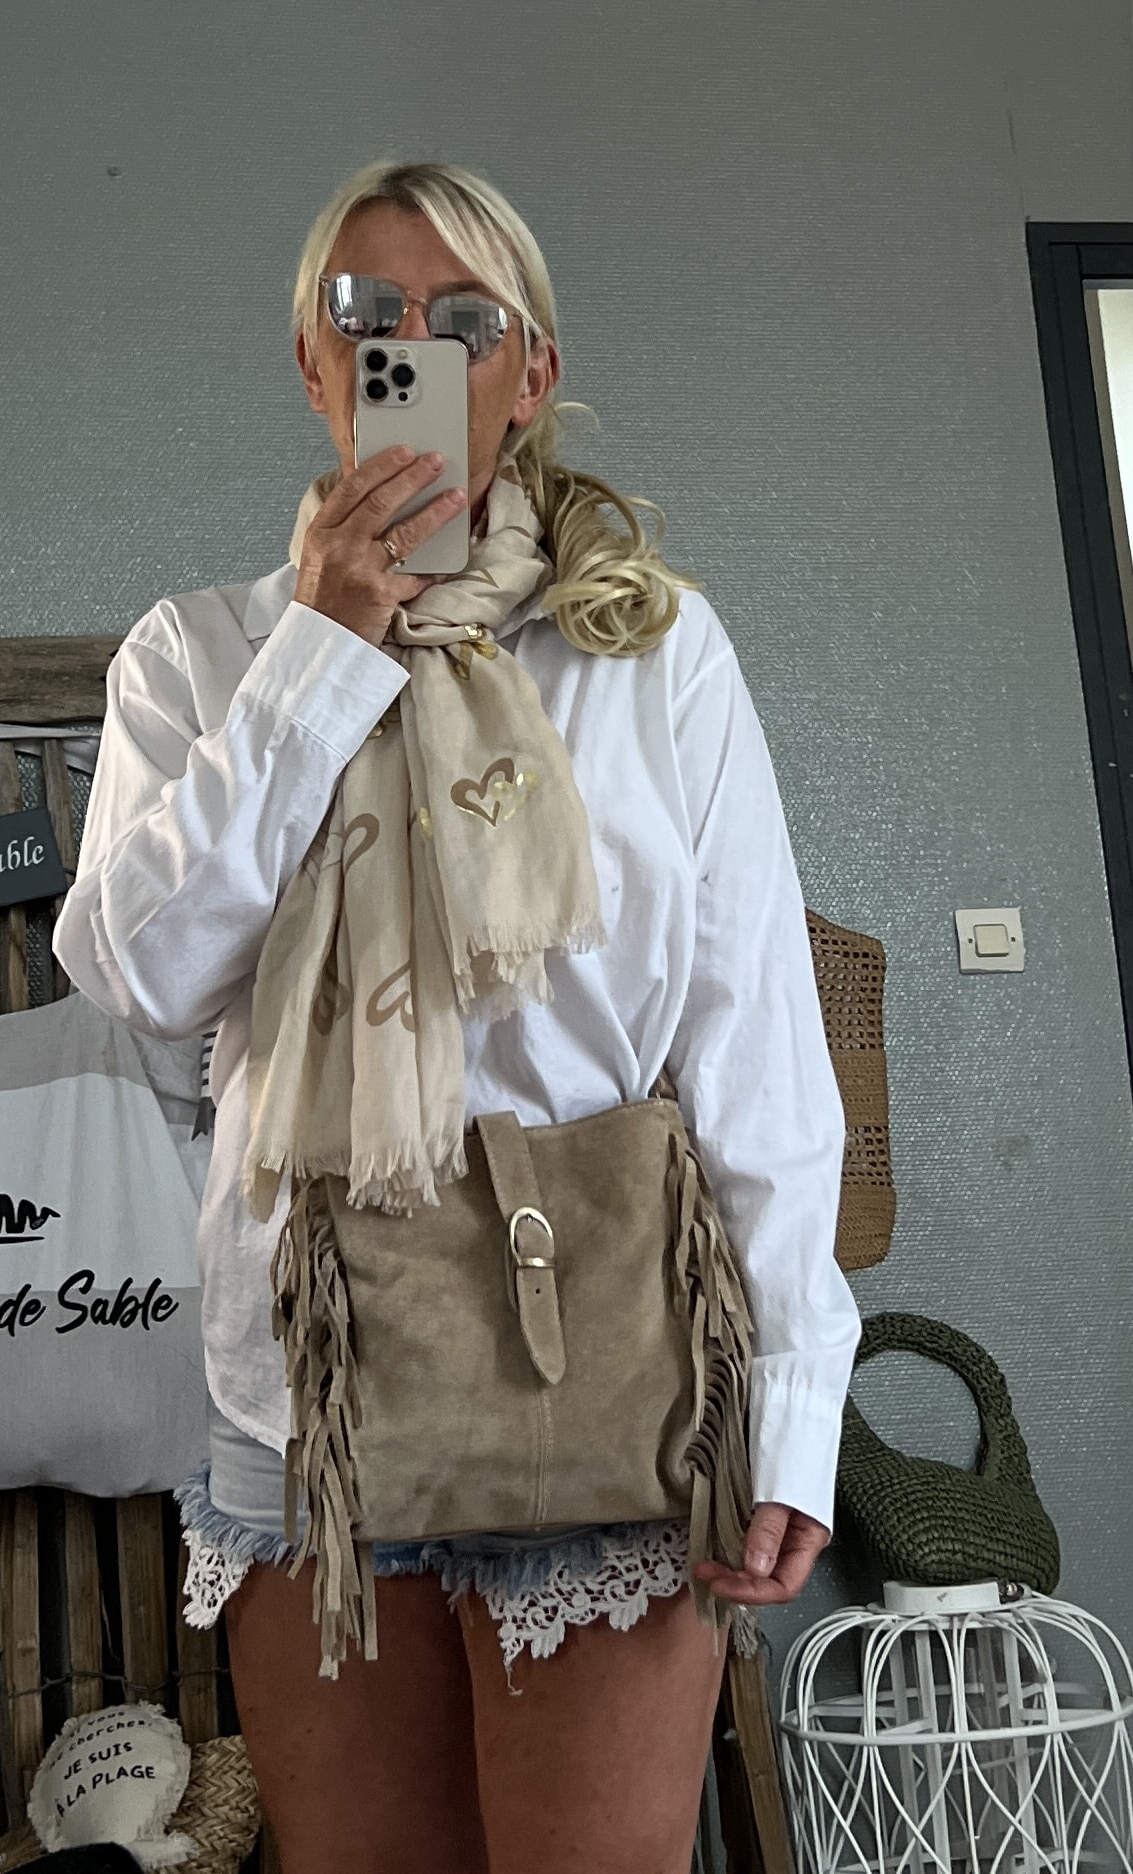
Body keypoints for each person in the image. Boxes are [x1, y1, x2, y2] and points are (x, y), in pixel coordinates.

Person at [53, 159, 861, 1874]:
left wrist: (794, 1397)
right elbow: (138, 973)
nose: (407, 344)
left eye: (462, 319)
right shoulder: (195, 659)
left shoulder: (651, 655)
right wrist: (322, 653)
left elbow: (753, 1039)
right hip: (310, 1396)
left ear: (529, 374)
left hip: (603, 1367)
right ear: (310, 358)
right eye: (366, 313)